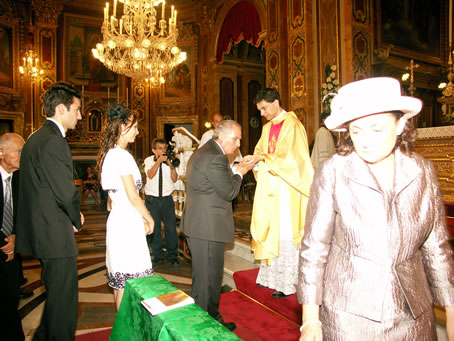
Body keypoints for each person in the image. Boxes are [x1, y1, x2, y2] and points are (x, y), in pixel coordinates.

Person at [297, 77, 454, 340]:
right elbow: (314, 249)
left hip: (413, 314)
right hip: (348, 314)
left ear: (401, 124)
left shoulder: (422, 171)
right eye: (356, 131)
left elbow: (436, 249)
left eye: (377, 129)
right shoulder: (334, 171)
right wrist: (310, 320)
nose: (365, 141)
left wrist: (451, 312)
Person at [15, 82, 85, 341]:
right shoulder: (54, 141)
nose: (79, 116)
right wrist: (74, 216)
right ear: (60, 109)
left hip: (41, 230)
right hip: (54, 233)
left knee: (56, 295)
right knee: (64, 301)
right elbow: (65, 190)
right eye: (76, 109)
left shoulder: (35, 137)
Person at [182, 120, 254, 331]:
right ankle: (207, 327)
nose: (238, 144)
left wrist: (233, 170)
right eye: (236, 139)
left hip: (199, 225)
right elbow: (229, 192)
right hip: (207, 228)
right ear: (222, 137)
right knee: (209, 281)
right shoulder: (215, 157)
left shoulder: (206, 151)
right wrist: (240, 172)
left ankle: (203, 319)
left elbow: (215, 182)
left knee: (203, 280)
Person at [243, 88, 313, 298]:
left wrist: (263, 159)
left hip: (287, 189)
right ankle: (271, 277)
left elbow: (294, 159)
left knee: (284, 231)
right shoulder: (267, 130)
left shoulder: (292, 124)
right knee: (270, 227)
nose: (262, 113)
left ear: (275, 102)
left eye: (264, 108)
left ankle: (288, 282)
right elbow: (260, 152)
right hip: (270, 189)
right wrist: (253, 161)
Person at [97, 104, 154, 310]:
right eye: (135, 127)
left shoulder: (109, 154)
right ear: (123, 127)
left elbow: (111, 201)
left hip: (118, 219)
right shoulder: (122, 156)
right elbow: (133, 195)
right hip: (127, 222)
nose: (138, 132)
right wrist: (149, 218)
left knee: (122, 281)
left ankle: (123, 330)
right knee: (130, 281)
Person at [0, 133, 25, 340]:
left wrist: (15, 237)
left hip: (11, 252)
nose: (21, 156)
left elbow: (24, 212)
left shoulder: (19, 178)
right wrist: (4, 244)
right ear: (1, 152)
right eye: (18, 151)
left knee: (10, 300)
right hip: (2, 247)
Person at [143, 138, 179, 266]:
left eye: (164, 149)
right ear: (154, 150)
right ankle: (157, 254)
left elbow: (174, 179)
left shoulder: (170, 161)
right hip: (152, 200)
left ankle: (172, 255)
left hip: (166, 199)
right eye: (159, 149)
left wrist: (172, 167)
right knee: (155, 228)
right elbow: (150, 175)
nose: (163, 151)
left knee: (171, 228)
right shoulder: (148, 160)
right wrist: (158, 161)